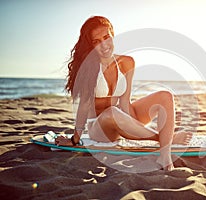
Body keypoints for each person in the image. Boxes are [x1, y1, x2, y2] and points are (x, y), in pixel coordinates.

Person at [55, 16, 192, 171]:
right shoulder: (89, 67)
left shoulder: (127, 62)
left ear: (112, 35)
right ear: (91, 45)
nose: (104, 45)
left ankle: (165, 157)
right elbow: (85, 105)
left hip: (121, 116)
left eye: (106, 37)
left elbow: (125, 100)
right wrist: (75, 139)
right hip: (99, 127)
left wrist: (132, 123)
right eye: (96, 41)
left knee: (165, 96)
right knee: (112, 112)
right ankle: (167, 139)